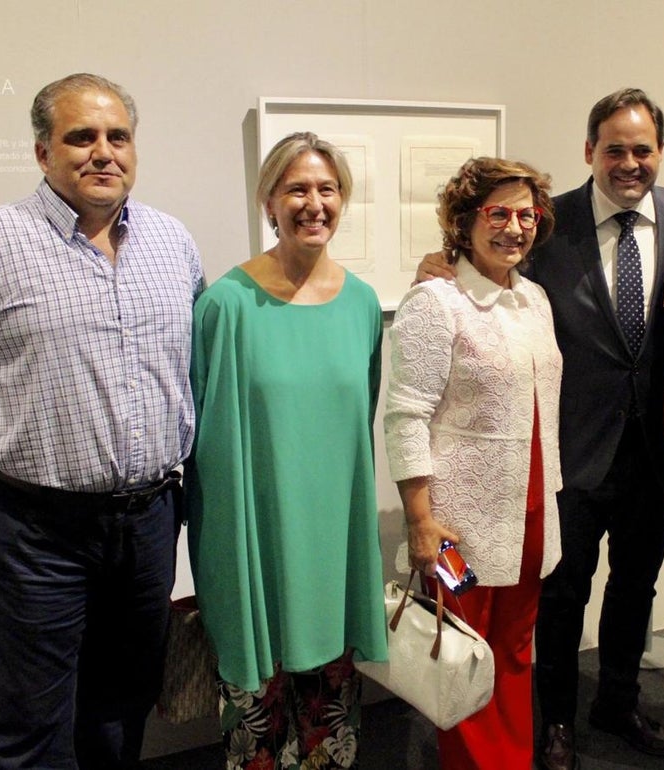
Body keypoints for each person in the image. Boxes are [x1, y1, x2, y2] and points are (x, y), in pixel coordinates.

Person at [0, 73, 203, 769]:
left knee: (121, 715)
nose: (103, 152)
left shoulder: (171, 242)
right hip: (31, 529)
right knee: (32, 729)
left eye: (117, 136)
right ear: (43, 153)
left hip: (149, 520)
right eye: (80, 137)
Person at [417, 87, 664, 770]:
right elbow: (488, 264)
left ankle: (618, 699)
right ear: (589, 152)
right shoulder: (549, 222)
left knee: (636, 586)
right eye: (615, 149)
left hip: (654, 455)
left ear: (659, 152)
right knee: (560, 594)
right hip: (567, 454)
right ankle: (556, 722)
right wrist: (438, 267)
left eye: (642, 149)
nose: (629, 162)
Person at [187, 131, 387, 770]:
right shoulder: (226, 305)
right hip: (257, 547)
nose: (314, 203)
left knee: (330, 727)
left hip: (332, 548)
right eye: (296, 188)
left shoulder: (360, 304)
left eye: (327, 189)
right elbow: (206, 446)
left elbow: (360, 422)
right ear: (267, 201)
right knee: (259, 738)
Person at [385, 156, 563, 769]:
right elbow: (405, 415)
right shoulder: (436, 303)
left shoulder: (534, 299)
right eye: (498, 213)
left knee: (513, 652)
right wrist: (419, 519)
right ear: (464, 222)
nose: (514, 227)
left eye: (526, 214)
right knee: (463, 657)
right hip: (458, 526)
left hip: (531, 514)